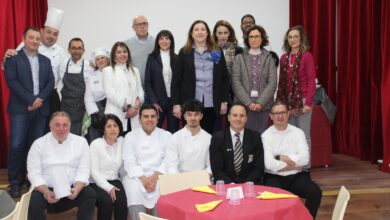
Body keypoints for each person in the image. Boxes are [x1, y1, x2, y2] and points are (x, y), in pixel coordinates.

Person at [4, 27, 54, 198]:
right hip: (20, 110)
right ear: (24, 39)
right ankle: (15, 182)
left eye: (37, 38)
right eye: (31, 37)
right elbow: (11, 81)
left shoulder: (46, 61)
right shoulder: (13, 59)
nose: (34, 41)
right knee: (17, 146)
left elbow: (50, 83)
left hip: (40, 111)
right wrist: (31, 100)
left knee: (35, 148)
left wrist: (38, 99)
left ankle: (32, 180)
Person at [27, 111, 96, 220]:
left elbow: (84, 170)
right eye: (57, 125)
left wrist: (77, 189)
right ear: (50, 126)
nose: (61, 129)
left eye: (65, 125)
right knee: (32, 199)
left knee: (90, 194)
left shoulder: (81, 142)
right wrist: (45, 191)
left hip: (72, 190)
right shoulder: (38, 144)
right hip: (47, 191)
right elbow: (34, 173)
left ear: (70, 126)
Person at [3, 7, 67, 124]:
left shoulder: (61, 52)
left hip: (50, 95)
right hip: (26, 94)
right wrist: (5, 57)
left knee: (51, 131)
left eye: (55, 34)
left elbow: (68, 71)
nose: (51, 36)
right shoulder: (26, 44)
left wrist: (92, 65)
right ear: (42, 31)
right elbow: (9, 67)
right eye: (48, 32)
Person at [261, 101, 322, 218]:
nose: (280, 116)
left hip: (297, 176)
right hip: (274, 177)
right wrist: (294, 163)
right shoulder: (265, 136)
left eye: (283, 112)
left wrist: (280, 158)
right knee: (274, 200)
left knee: (315, 193)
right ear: (271, 116)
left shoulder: (298, 133)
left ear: (288, 114)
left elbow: (305, 160)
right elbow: (269, 164)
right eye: (276, 113)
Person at [171, 20, 230, 134]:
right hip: (189, 101)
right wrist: (176, 104)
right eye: (196, 30)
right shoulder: (185, 52)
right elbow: (176, 81)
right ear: (191, 34)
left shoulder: (215, 51)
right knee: (190, 135)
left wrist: (224, 101)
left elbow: (224, 77)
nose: (200, 32)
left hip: (211, 102)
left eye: (203, 29)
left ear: (207, 33)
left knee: (208, 134)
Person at [276, 25, 316, 168]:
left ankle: (305, 167)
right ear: (287, 40)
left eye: (296, 36)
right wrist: (279, 102)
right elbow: (281, 81)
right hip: (288, 102)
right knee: (290, 135)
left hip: (304, 100)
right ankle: (293, 165)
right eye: (290, 37)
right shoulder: (283, 58)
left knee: (304, 136)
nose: (293, 39)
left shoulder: (307, 56)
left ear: (301, 39)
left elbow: (312, 80)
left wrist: (309, 102)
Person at [122, 104, 171, 220]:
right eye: (146, 116)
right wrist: (144, 179)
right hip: (137, 177)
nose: (150, 120)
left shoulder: (167, 135)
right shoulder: (130, 136)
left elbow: (169, 160)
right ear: (140, 119)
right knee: (132, 189)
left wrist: (154, 178)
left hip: (160, 175)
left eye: (153, 116)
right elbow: (129, 162)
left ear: (158, 118)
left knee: (163, 188)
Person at [232, 25, 277, 134]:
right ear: (247, 39)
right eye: (251, 36)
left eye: (257, 36)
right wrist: (249, 103)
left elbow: (272, 83)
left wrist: (260, 103)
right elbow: (236, 82)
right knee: (243, 135)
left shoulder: (269, 58)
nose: (253, 39)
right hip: (243, 105)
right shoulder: (239, 57)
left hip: (263, 105)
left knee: (261, 136)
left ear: (262, 39)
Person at [209, 103, 264, 184]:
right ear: (228, 118)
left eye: (242, 116)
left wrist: (247, 184)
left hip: (250, 185)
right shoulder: (218, 137)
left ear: (246, 119)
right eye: (235, 115)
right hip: (226, 185)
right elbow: (217, 169)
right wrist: (232, 185)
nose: (238, 119)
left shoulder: (255, 137)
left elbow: (259, 167)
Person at [90, 114, 127, 220]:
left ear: (119, 128)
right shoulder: (95, 144)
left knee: (122, 201)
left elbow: (123, 168)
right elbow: (94, 172)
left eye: (115, 126)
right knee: (107, 202)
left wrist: (126, 183)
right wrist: (109, 188)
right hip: (96, 182)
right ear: (103, 129)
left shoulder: (122, 142)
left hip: (115, 180)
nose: (113, 129)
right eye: (109, 126)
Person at [103, 42, 144, 134]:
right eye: (119, 52)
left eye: (125, 51)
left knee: (133, 141)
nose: (122, 54)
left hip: (134, 114)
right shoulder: (108, 71)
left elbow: (140, 91)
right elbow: (110, 93)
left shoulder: (135, 70)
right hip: (116, 113)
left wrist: (135, 108)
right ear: (114, 55)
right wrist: (127, 108)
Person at [144, 30, 179, 133]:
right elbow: (148, 82)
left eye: (167, 38)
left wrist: (178, 103)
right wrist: (154, 101)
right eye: (161, 38)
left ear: (171, 41)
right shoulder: (152, 58)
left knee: (173, 131)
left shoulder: (177, 58)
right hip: (158, 102)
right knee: (156, 131)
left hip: (173, 101)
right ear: (157, 42)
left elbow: (179, 82)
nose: (164, 41)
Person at [165, 100, 211, 174]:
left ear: (201, 116)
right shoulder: (175, 138)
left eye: (196, 114)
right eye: (189, 115)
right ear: (184, 116)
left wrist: (203, 178)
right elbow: (171, 165)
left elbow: (211, 166)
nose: (193, 118)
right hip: (180, 181)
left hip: (202, 180)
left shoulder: (209, 138)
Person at [58, 38, 93, 135]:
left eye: (79, 48)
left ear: (83, 50)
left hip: (82, 107)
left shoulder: (89, 65)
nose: (76, 51)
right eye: (73, 48)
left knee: (79, 134)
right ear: (68, 50)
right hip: (65, 106)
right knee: (65, 133)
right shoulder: (63, 64)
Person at [84, 47, 110, 143]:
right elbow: (88, 96)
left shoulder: (115, 73)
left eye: (102, 58)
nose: (100, 61)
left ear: (108, 59)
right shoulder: (91, 76)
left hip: (113, 108)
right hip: (98, 110)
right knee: (96, 139)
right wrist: (93, 113)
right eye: (97, 59)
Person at [125, 15, 155, 87]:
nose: (142, 26)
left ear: (148, 25)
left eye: (144, 23)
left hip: (154, 86)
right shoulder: (126, 44)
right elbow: (116, 60)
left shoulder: (156, 42)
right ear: (133, 28)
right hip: (134, 86)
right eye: (139, 24)